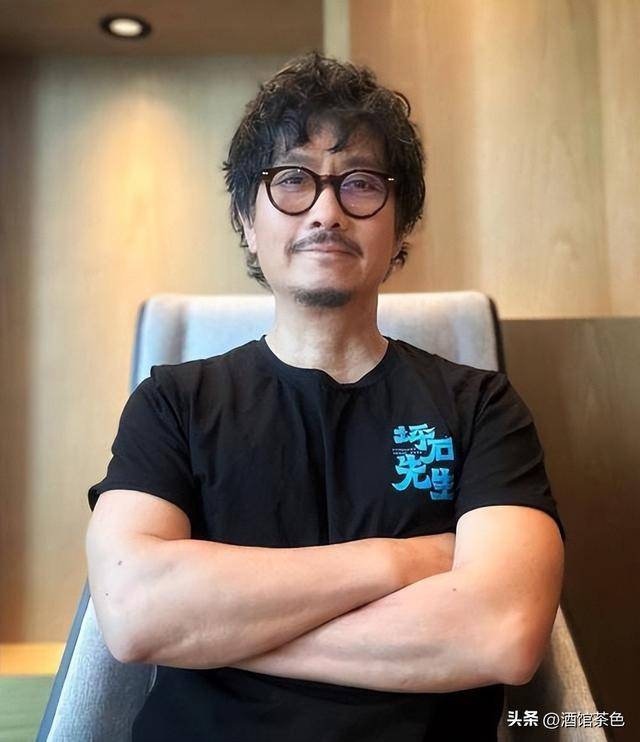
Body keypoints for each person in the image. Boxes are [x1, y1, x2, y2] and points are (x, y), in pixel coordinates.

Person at [86, 52, 566, 742]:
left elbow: (502, 633)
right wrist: (403, 560)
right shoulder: (172, 403)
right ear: (246, 219)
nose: (327, 211)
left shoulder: (481, 407)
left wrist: (216, 630)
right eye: (292, 181)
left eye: (361, 184)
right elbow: (133, 610)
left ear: (399, 226)